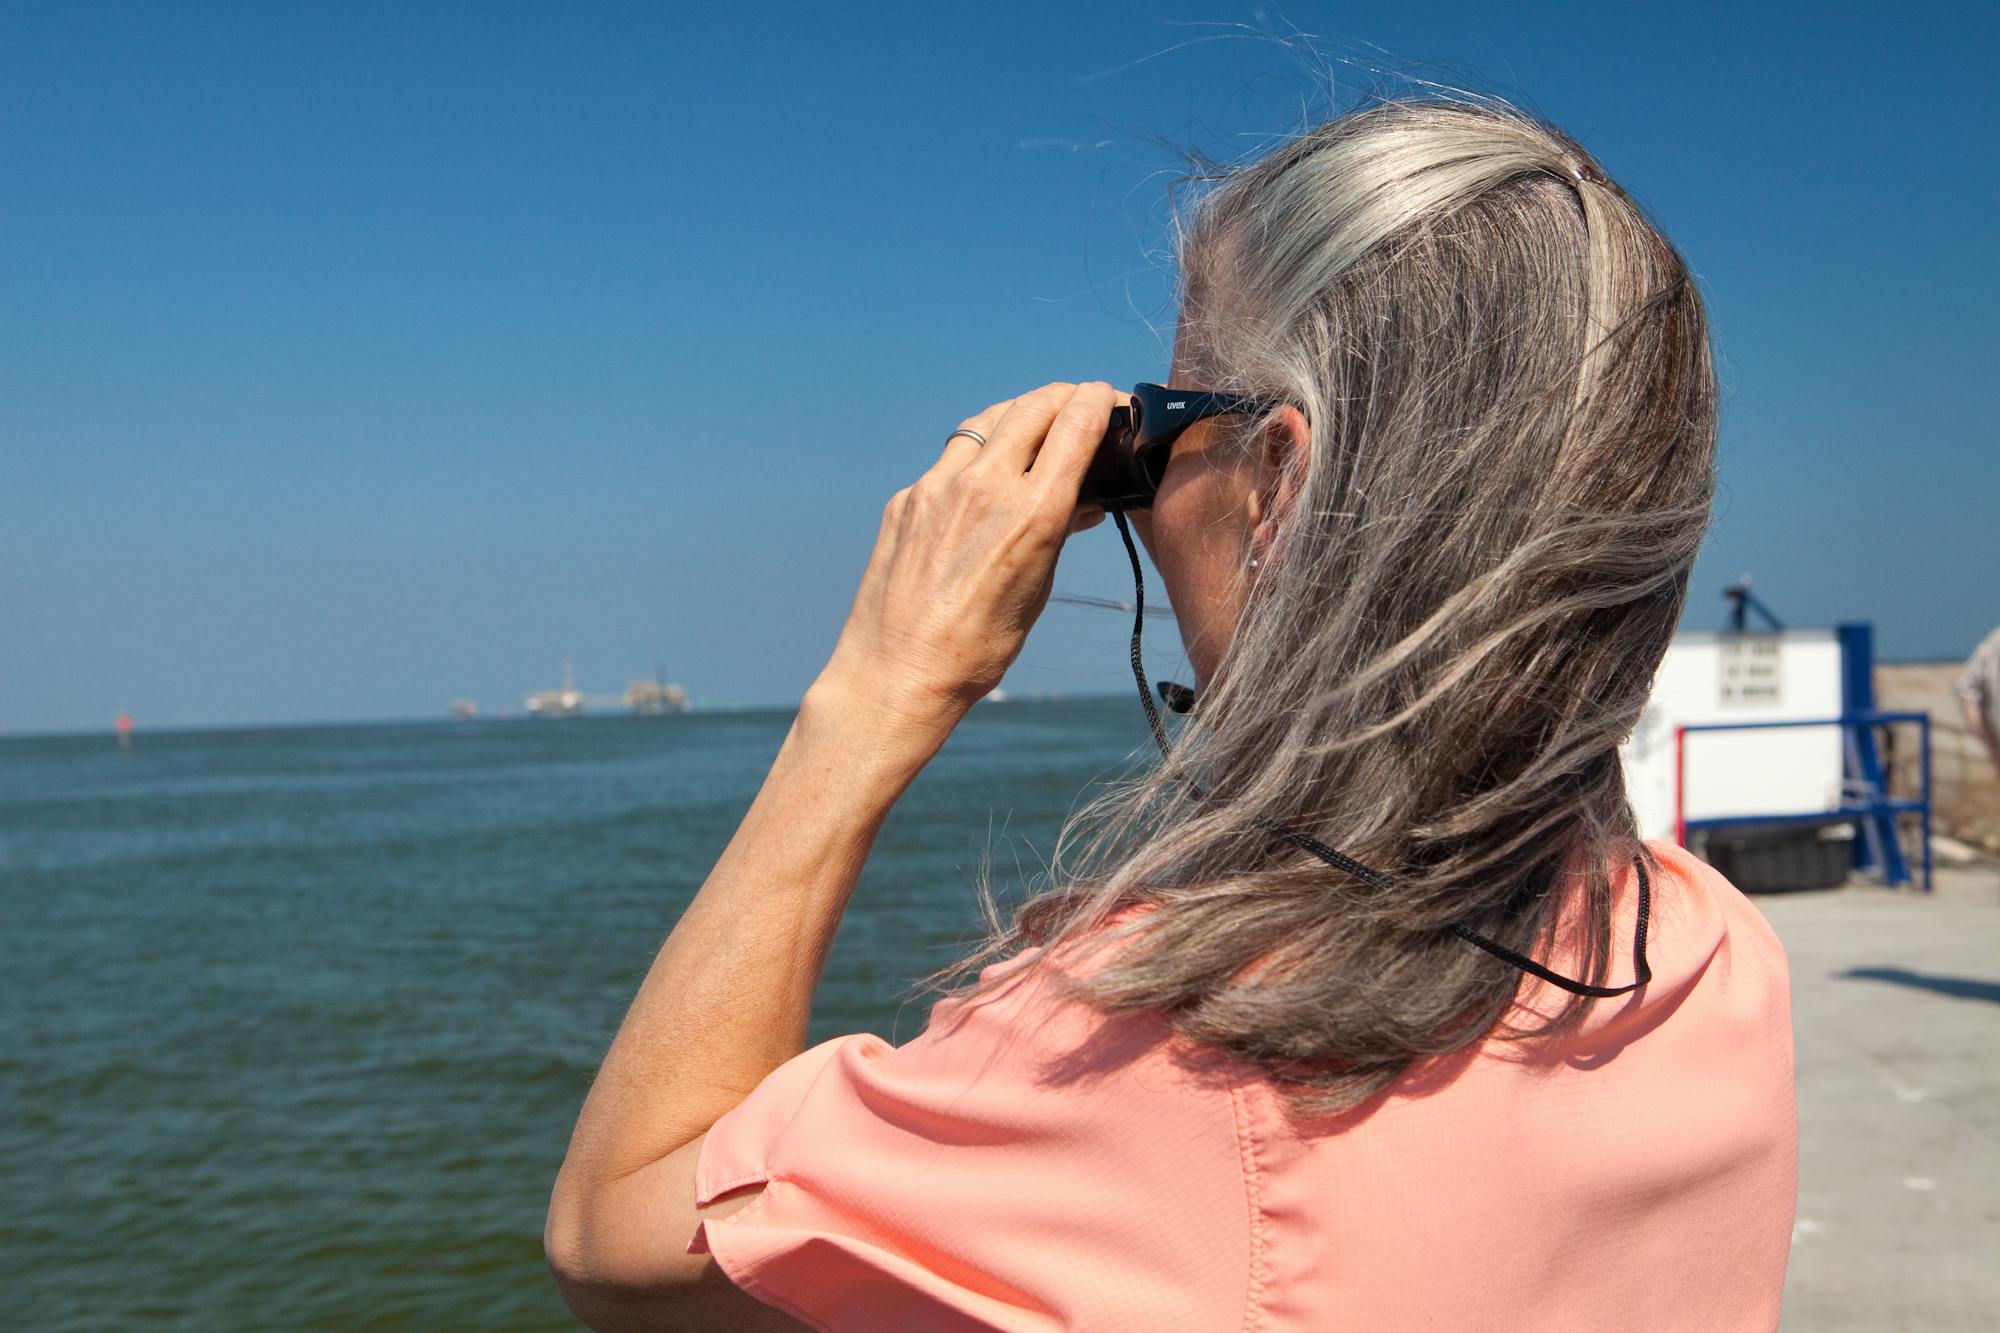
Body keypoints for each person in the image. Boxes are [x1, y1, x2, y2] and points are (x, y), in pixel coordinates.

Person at [545, 97, 1798, 1331]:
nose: (1141, 502)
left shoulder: (1153, 1066)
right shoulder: (1708, 955)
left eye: (1164, 435)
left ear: (1276, 482)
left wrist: (877, 688)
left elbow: (617, 1236)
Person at [1957, 624, 2000, 779]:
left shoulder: (1994, 643)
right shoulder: (1994, 645)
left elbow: (1966, 690)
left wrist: (1992, 748)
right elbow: (1966, 690)